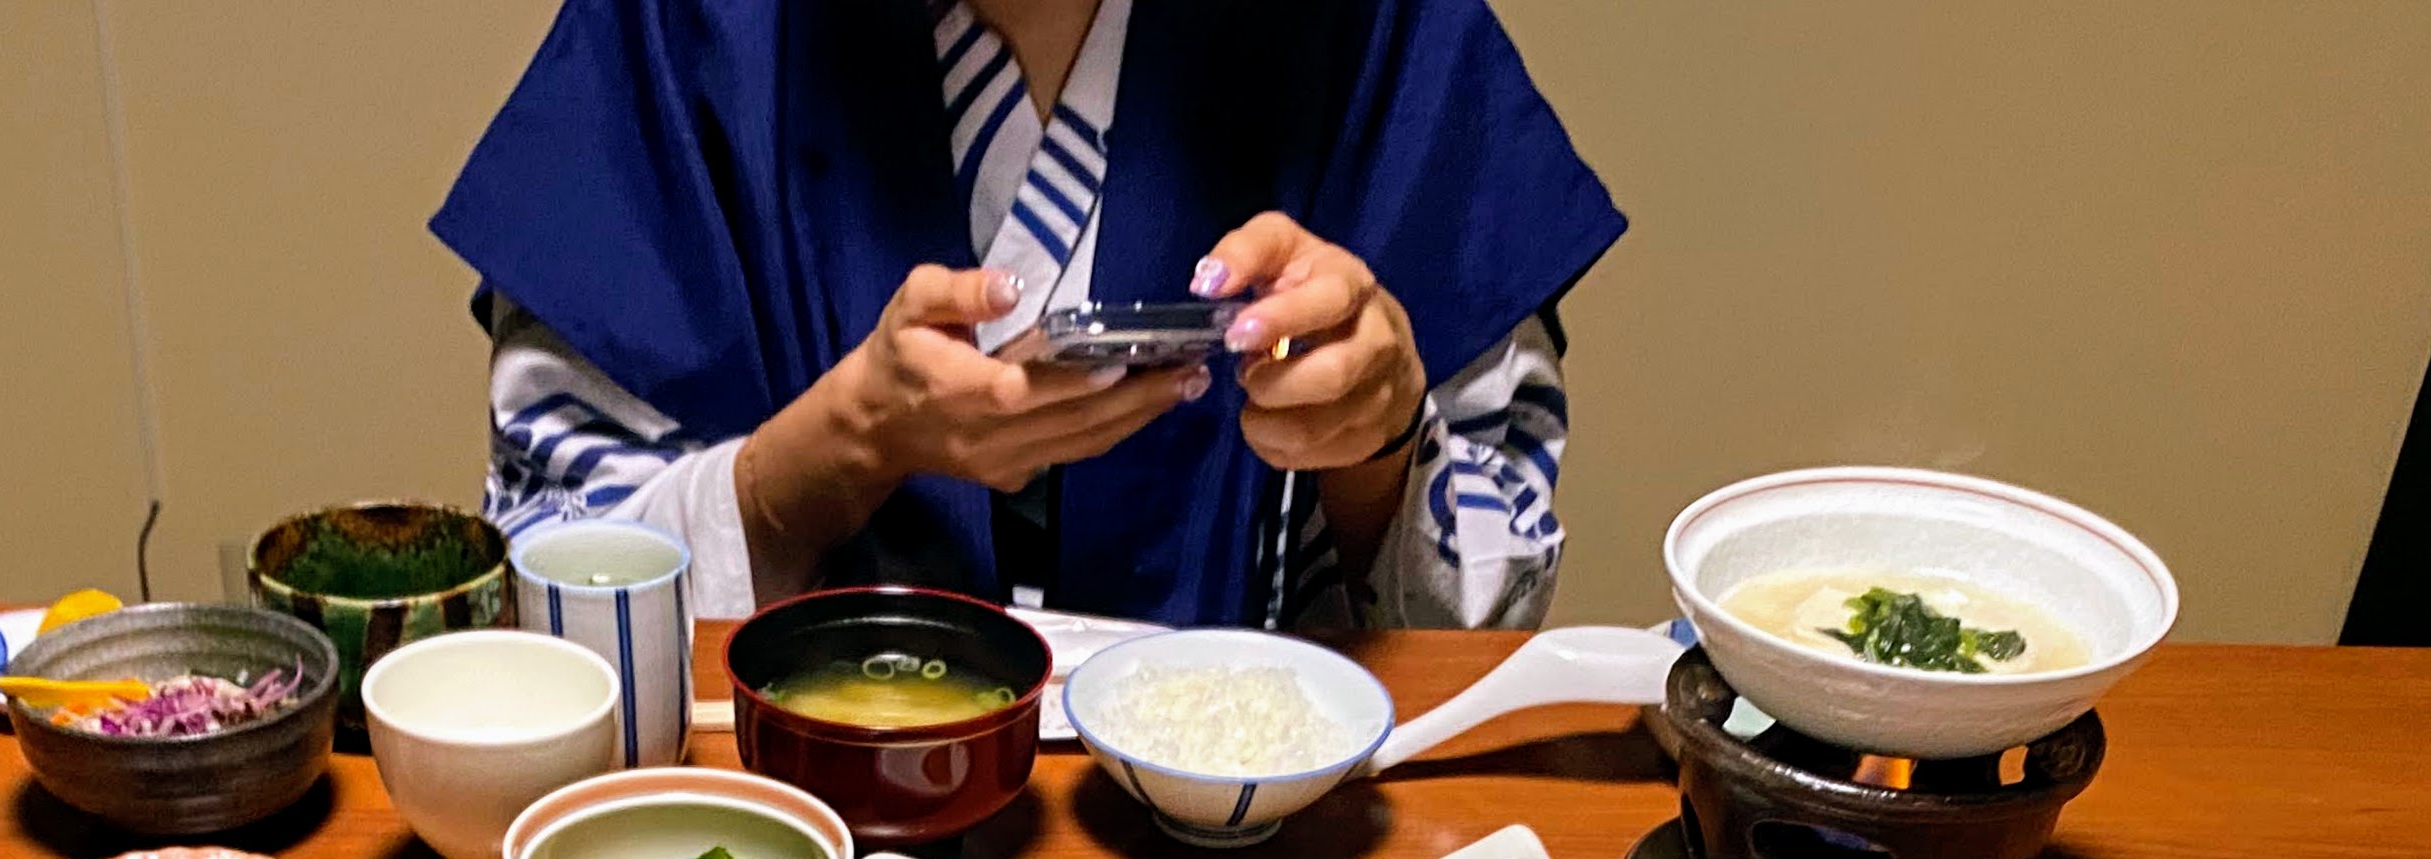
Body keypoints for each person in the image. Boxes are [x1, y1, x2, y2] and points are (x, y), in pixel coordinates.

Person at [433, 0, 1623, 631]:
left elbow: (1488, 613)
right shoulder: (684, 26)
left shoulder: (1371, 25)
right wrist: (845, 442)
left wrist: (1372, 439)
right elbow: (550, 603)